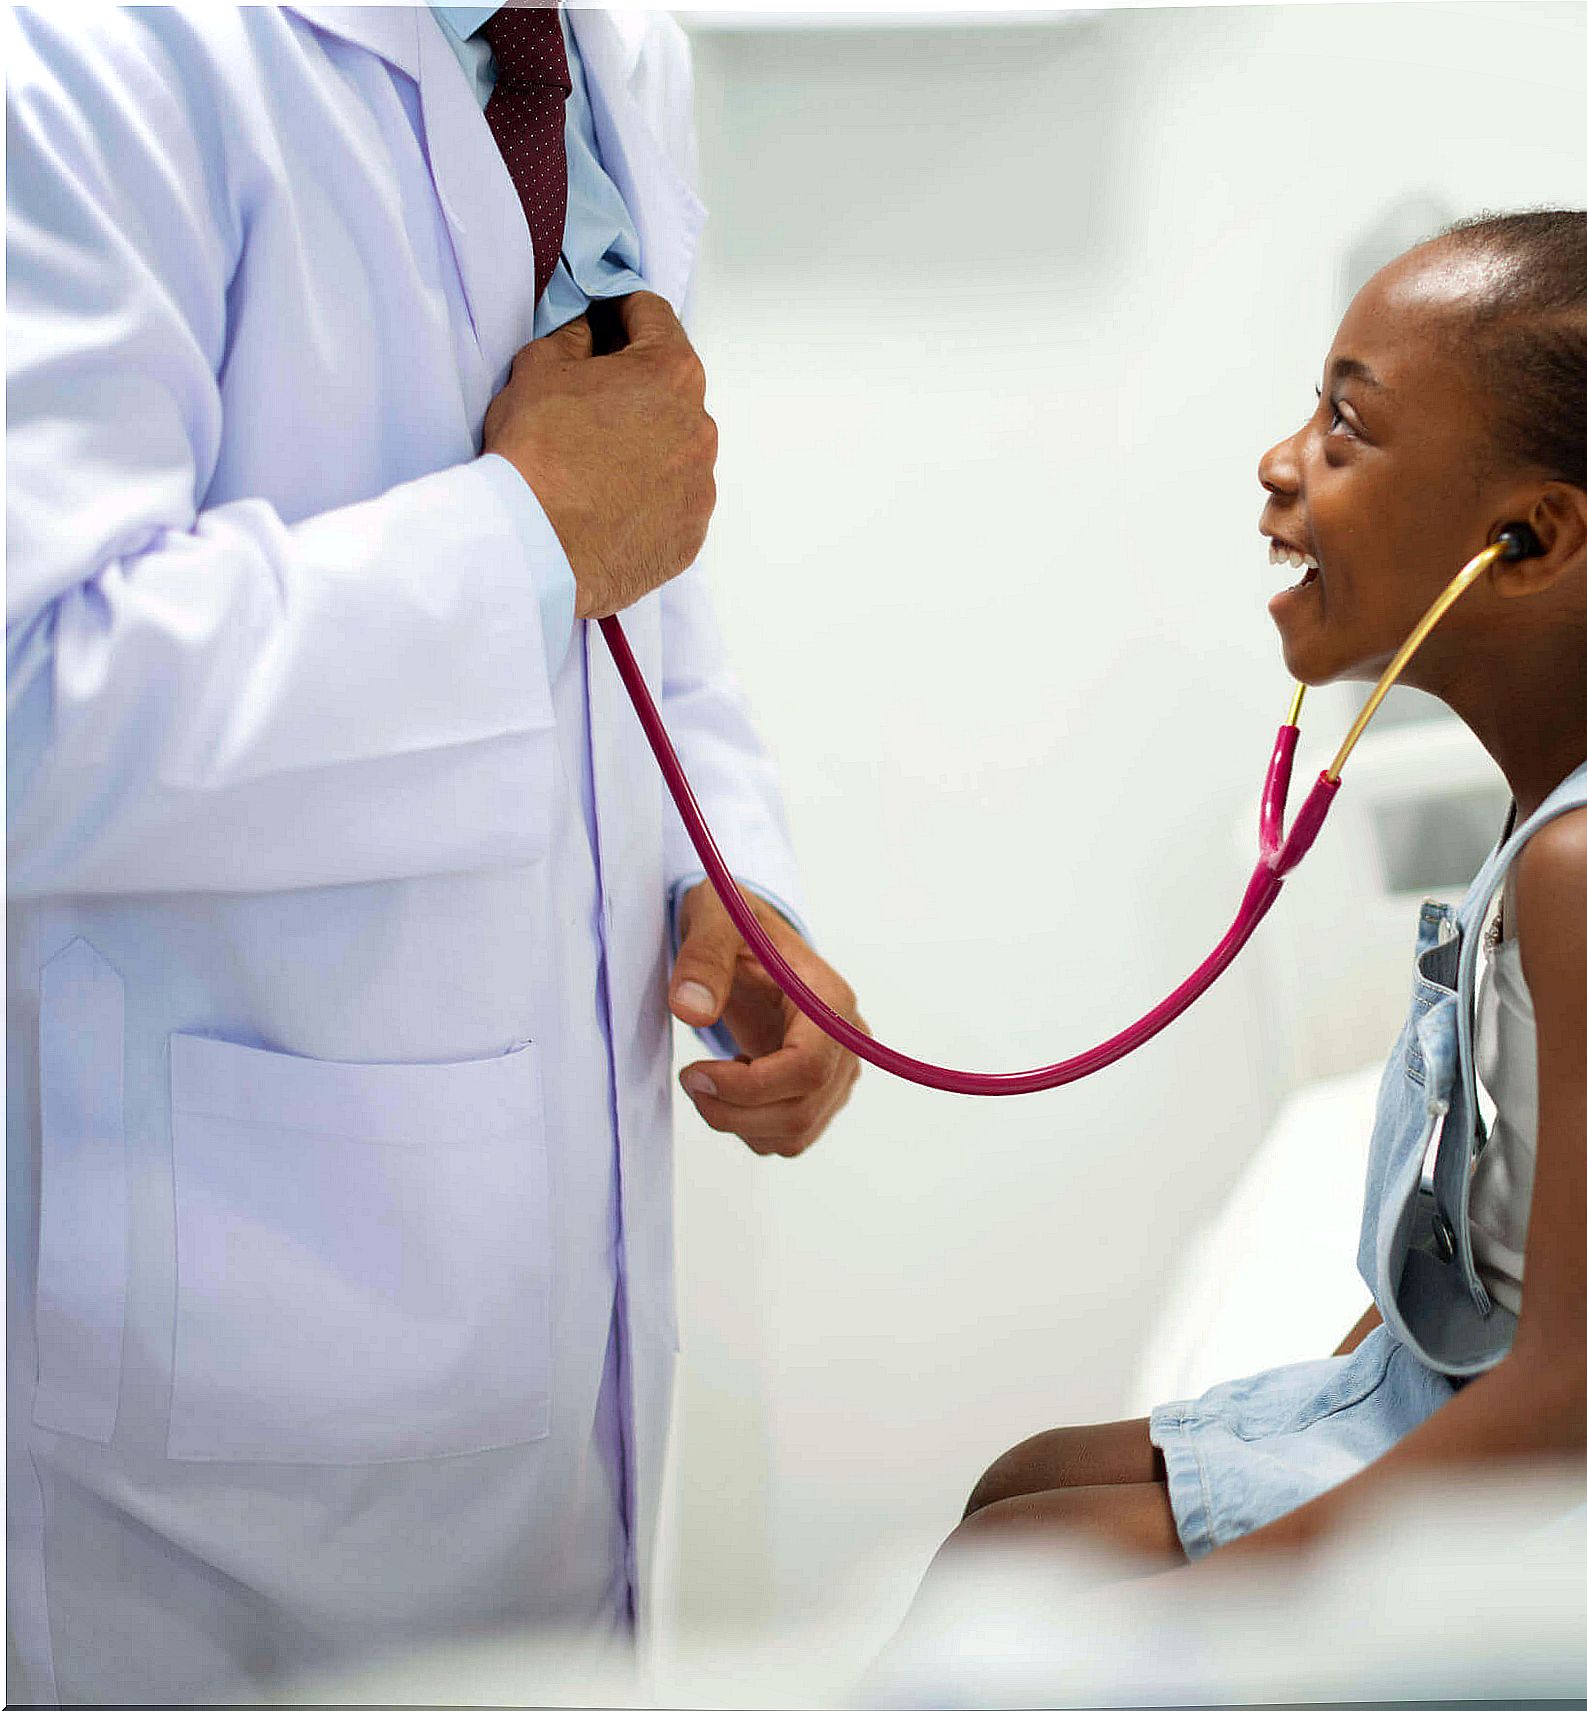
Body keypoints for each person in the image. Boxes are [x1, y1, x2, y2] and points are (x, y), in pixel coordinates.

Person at [5, 7, 861, 1700]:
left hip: (531, 1303)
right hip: (214, 1372)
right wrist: (518, 537)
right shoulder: (83, 53)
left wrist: (723, 864)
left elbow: (632, 556)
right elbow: (35, 693)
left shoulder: (608, 51)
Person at [926, 141, 1587, 1581]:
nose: (1277, 463)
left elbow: (1570, 1412)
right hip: (1500, 1413)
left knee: (1034, 1571)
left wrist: (1224, 1602)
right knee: (1022, 1492)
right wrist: (1299, 1438)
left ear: (1526, 541)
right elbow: (1494, 1271)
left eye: (1342, 429)